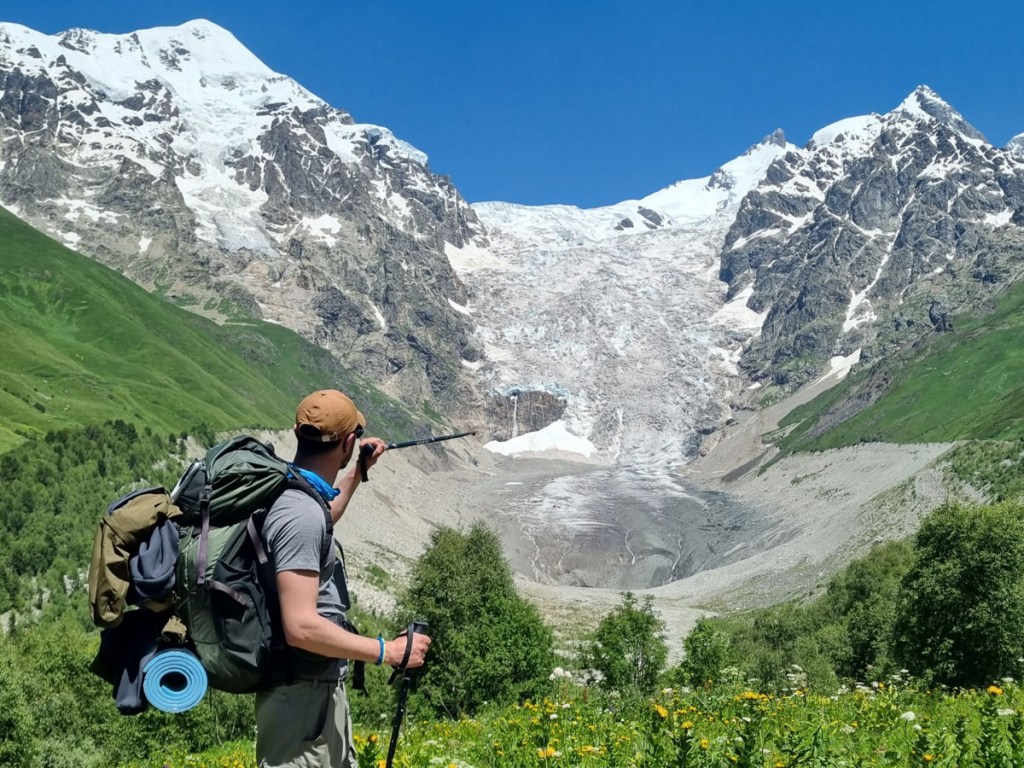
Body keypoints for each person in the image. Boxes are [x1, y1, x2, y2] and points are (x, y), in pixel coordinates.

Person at [256, 389, 431, 768]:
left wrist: (357, 473)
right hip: (301, 703)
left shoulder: (298, 493)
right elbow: (300, 626)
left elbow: (323, 518)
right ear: (349, 441)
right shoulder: (299, 513)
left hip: (312, 696)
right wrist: (388, 651)